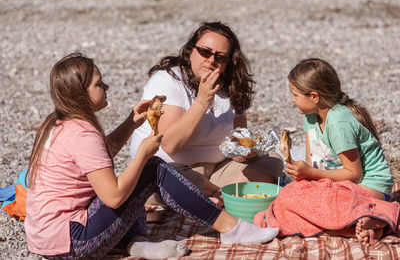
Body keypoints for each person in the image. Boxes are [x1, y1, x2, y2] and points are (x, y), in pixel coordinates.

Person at [24, 53, 280, 259]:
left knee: (139, 172)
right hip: (73, 242)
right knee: (150, 168)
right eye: (99, 84)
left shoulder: (58, 122)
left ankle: (138, 244)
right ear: (80, 94)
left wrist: (130, 124)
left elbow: (97, 157)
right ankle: (229, 227)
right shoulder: (83, 134)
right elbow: (113, 198)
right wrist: (143, 155)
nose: (107, 86)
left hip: (47, 239)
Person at [130, 22, 283, 207]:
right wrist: (202, 101)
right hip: (172, 169)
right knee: (172, 177)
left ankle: (210, 199)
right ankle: (219, 198)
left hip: (217, 171)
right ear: (190, 51)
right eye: (205, 52)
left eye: (220, 57)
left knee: (272, 161)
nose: (211, 60)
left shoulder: (231, 85)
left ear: (228, 63)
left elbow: (239, 138)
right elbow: (170, 144)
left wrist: (245, 154)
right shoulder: (168, 80)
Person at [254, 58, 396, 247]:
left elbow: (354, 173)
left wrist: (311, 175)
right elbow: (311, 162)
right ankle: (360, 226)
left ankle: (380, 213)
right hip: (338, 185)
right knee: (289, 196)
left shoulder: (338, 123)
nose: (292, 99)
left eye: (295, 94)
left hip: (368, 188)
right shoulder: (310, 116)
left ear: (314, 96)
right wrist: (303, 175)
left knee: (291, 200)